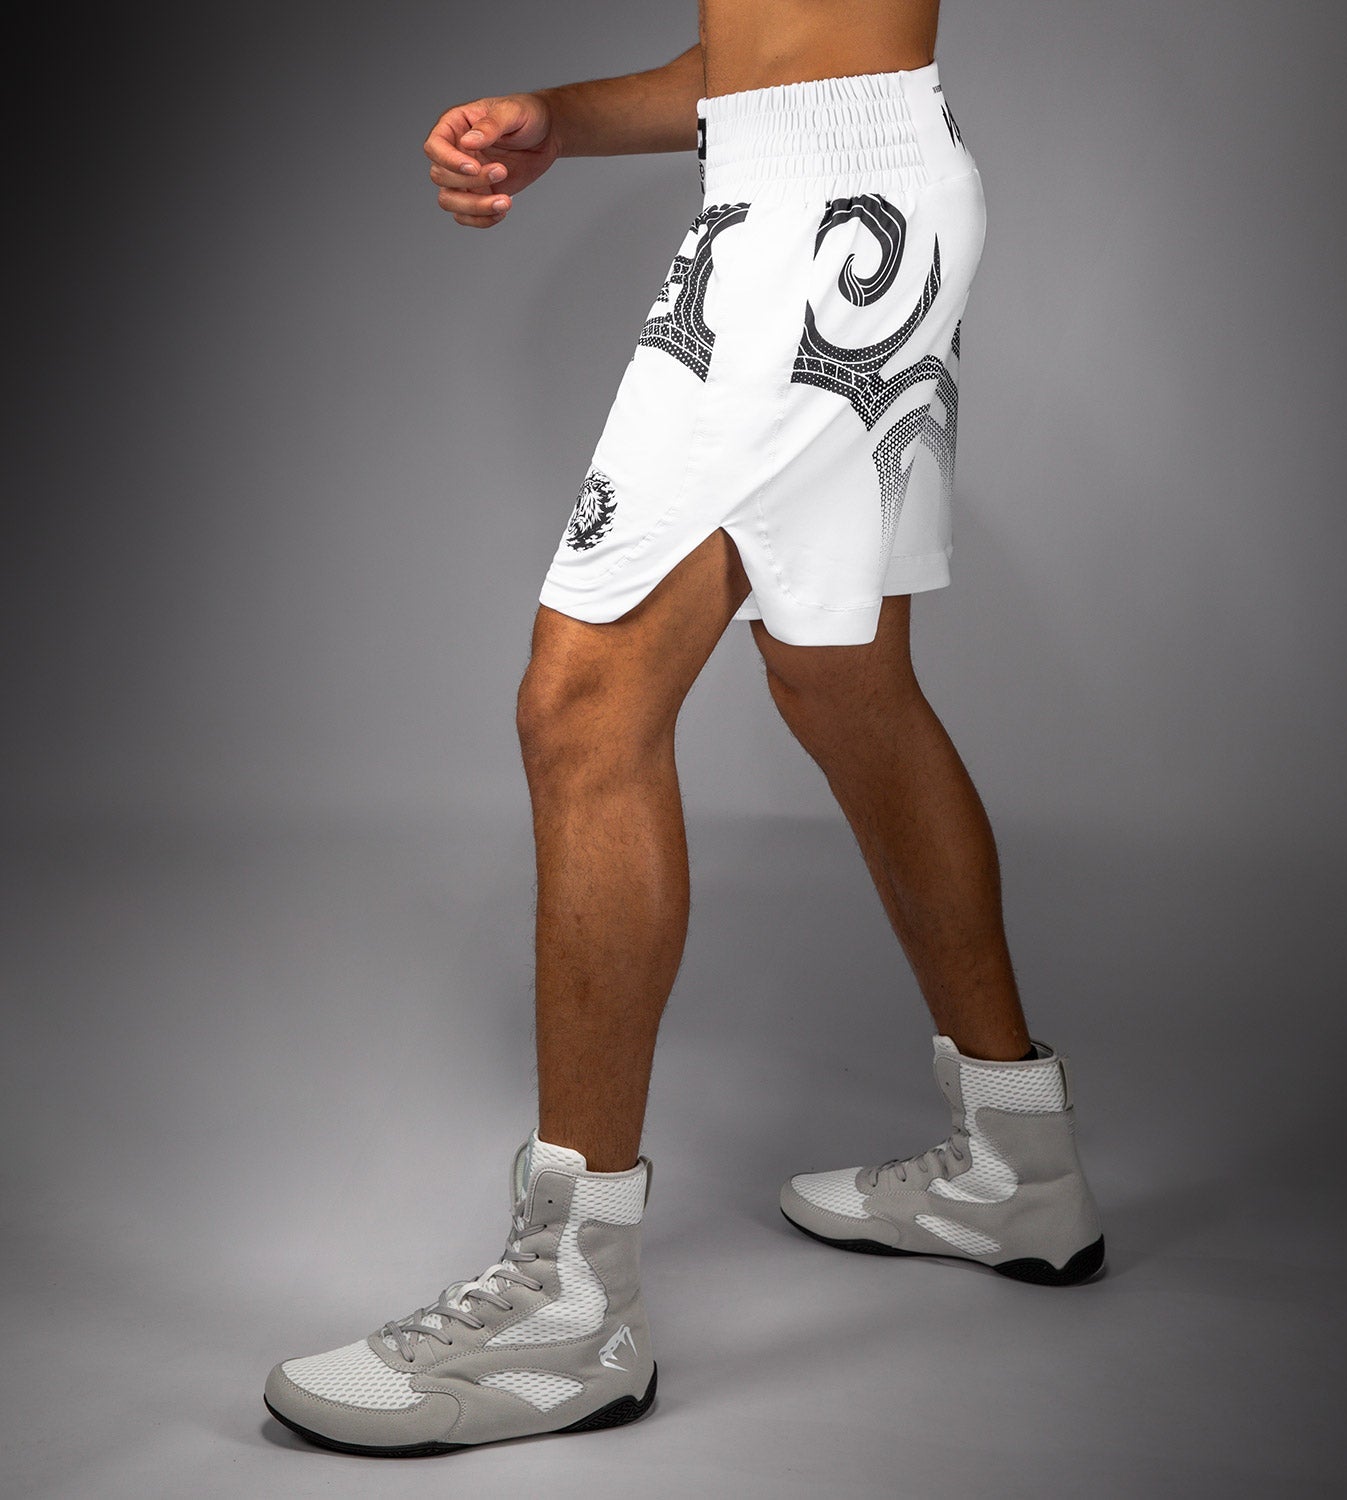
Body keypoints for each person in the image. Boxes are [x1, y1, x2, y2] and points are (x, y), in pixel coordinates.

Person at [264, 0, 1103, 1456]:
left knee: (582, 704)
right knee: (842, 683)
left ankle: (569, 1312)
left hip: (821, 221)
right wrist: (566, 118)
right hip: (838, 188)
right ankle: (1015, 1163)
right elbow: (759, 58)